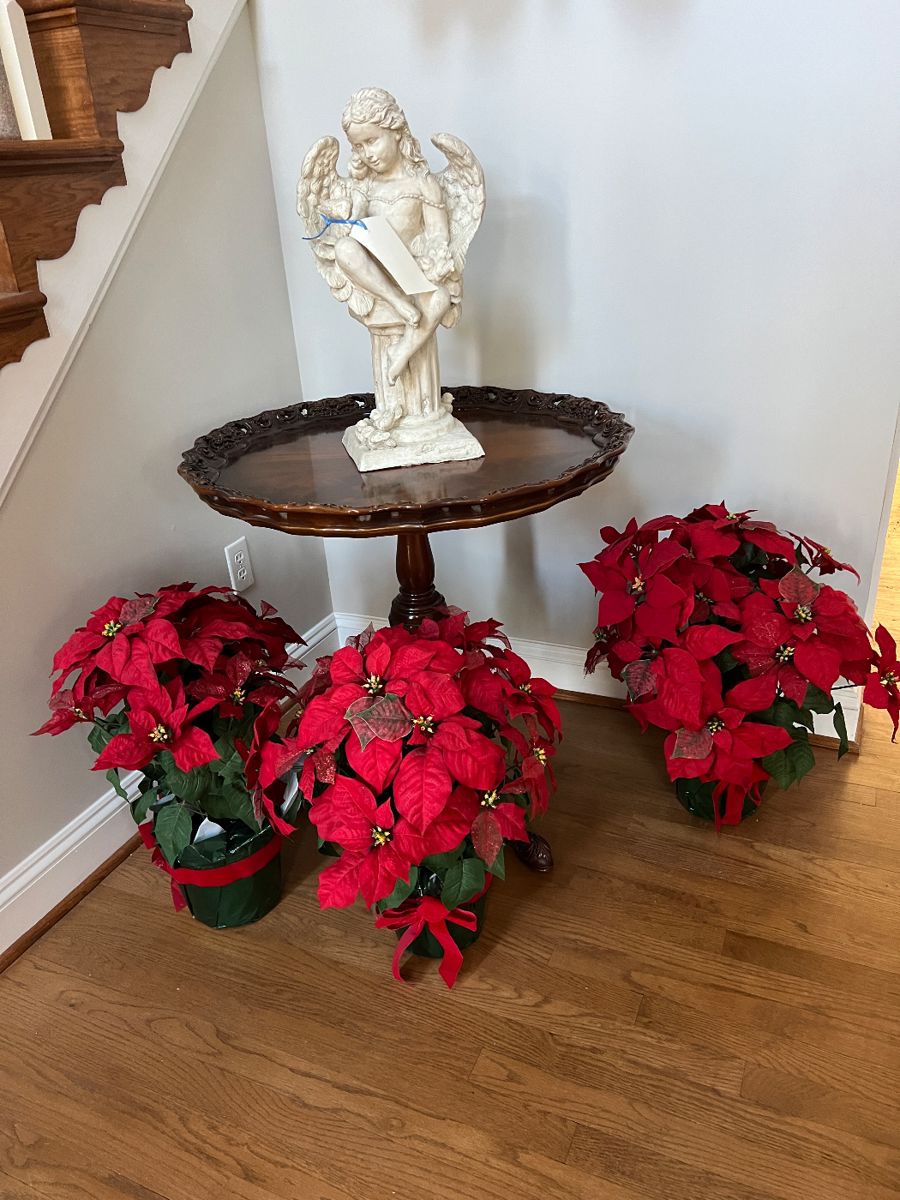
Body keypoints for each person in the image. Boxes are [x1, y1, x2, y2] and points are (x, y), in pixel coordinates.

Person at [332, 88, 454, 385]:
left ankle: (403, 350)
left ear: (396, 132)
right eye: (358, 146)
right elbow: (353, 228)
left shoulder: (423, 185)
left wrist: (434, 261)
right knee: (344, 248)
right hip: (376, 274)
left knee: (441, 297)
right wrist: (346, 217)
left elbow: (439, 236)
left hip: (412, 271)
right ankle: (398, 303)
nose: (367, 154)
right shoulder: (365, 186)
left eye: (372, 141)